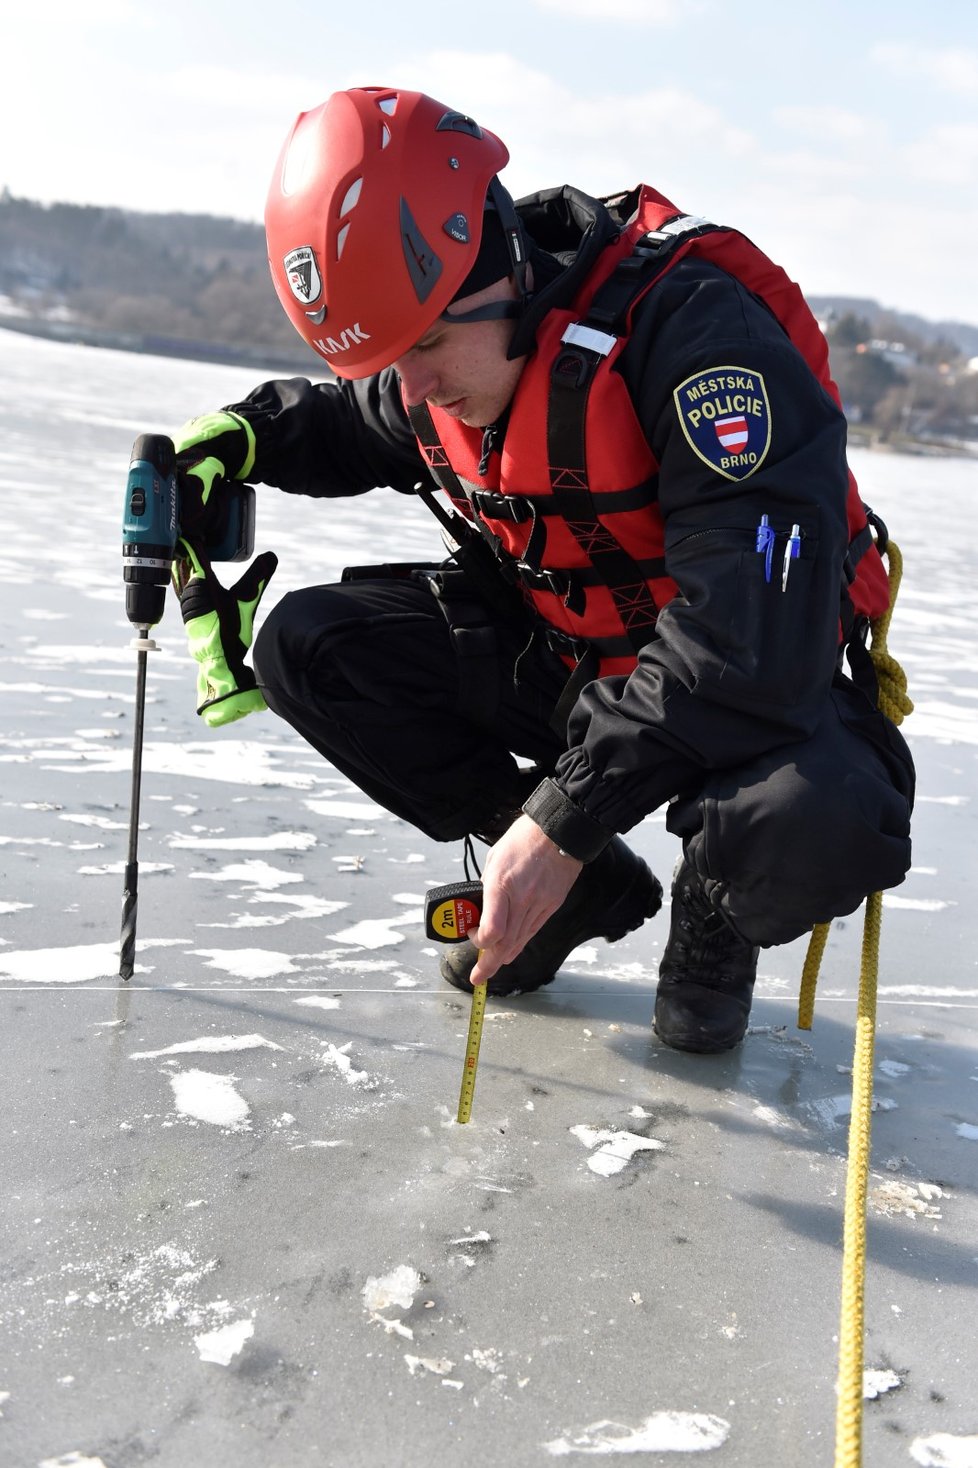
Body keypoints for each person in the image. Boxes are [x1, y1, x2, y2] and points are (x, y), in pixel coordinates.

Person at [171, 85, 915, 1055]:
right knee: (310, 648)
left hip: (738, 698)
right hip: (573, 667)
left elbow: (744, 643)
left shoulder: (700, 341)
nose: (415, 387)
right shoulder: (445, 363)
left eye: (428, 345)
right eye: (391, 360)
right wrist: (239, 442)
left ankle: (710, 908)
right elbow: (349, 426)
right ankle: (583, 887)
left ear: (503, 266)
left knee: (812, 818)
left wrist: (561, 815)